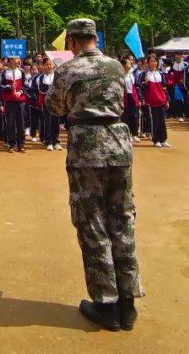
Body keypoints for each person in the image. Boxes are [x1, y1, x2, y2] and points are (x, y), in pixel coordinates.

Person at [46, 18, 141, 332]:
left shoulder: (68, 70)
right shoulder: (116, 66)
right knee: (122, 219)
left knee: (92, 222)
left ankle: (106, 304)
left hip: (87, 147)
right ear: (95, 38)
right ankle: (128, 304)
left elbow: (55, 107)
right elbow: (122, 101)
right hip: (119, 144)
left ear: (72, 41)